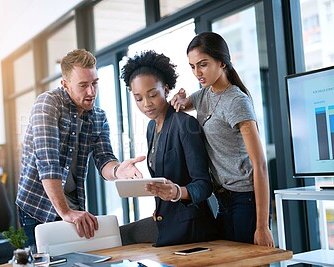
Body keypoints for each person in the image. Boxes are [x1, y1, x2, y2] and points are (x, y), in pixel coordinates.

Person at [16, 48, 145, 247]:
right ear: (65, 85)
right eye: (83, 85)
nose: (91, 92)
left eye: (94, 83)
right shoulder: (47, 104)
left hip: (73, 207)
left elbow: (104, 160)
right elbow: (48, 164)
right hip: (38, 207)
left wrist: (119, 170)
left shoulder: (98, 116)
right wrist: (65, 212)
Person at [170, 32, 274, 247]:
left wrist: (262, 226)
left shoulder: (237, 101)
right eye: (192, 66)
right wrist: (179, 99)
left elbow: (260, 165)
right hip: (221, 199)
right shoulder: (204, 94)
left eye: (203, 64)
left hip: (244, 199)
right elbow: (184, 103)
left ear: (223, 62)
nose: (197, 72)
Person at [119, 50, 218, 246]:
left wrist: (176, 192)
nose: (146, 104)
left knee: (124, 239)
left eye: (153, 95)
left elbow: (204, 185)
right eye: (139, 98)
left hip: (191, 227)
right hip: (167, 220)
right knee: (121, 237)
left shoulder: (185, 124)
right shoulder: (151, 127)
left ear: (165, 89)